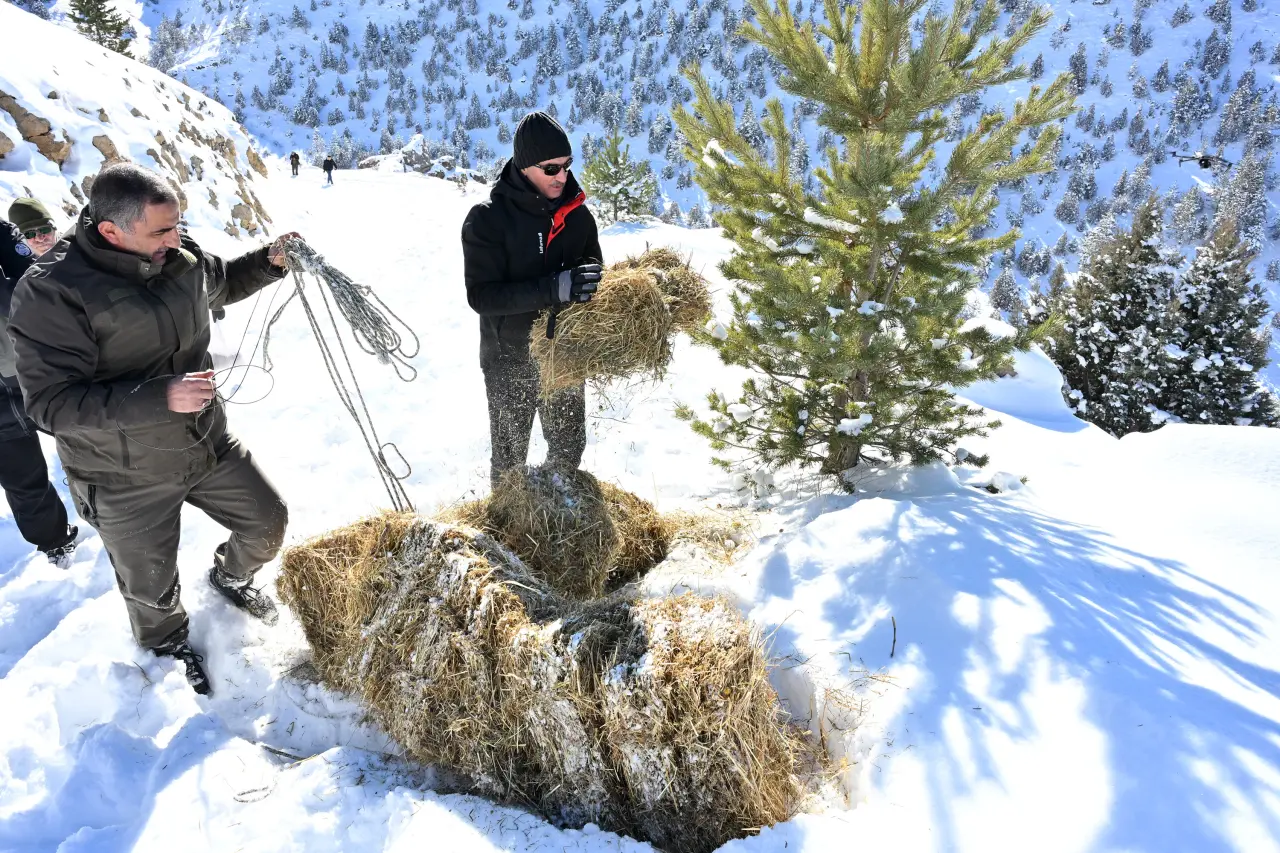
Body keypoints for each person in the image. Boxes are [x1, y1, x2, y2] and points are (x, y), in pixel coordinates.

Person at [8, 164, 300, 695]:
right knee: (151, 591)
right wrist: (160, 397)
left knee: (268, 522)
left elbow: (220, 282)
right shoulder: (52, 292)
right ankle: (168, 648)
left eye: (177, 226)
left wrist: (268, 262)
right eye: (161, 231)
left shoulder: (177, 255)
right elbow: (51, 405)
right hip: (121, 474)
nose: (176, 238)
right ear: (111, 231)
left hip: (205, 444)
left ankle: (230, 577)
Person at [461, 111, 603, 489]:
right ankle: (507, 532)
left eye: (567, 165)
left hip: (564, 356)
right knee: (510, 459)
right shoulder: (487, 220)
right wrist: (553, 287)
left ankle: (560, 524)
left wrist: (593, 285)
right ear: (525, 167)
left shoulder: (579, 217)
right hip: (509, 358)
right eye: (551, 168)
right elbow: (482, 296)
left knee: (568, 449)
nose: (562, 176)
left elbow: (593, 271)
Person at [0, 198, 77, 568]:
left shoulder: (0, 236)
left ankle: (125, 507)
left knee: (90, 437)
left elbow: (36, 278)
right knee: (21, 477)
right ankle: (54, 544)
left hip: (33, 370)